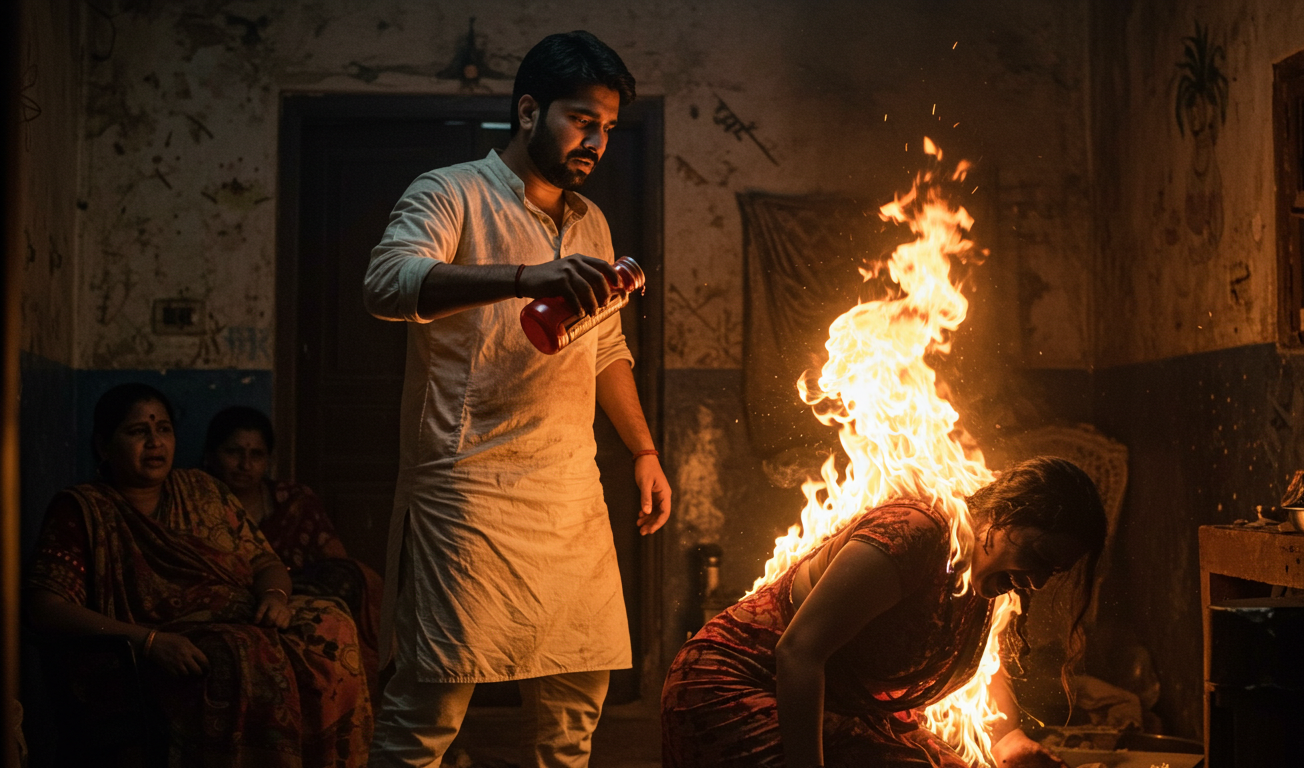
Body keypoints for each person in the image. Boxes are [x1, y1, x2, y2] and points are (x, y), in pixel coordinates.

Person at [362, 30, 671, 768]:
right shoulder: (451, 192)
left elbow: (605, 347)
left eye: (607, 127)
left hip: (568, 491)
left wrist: (644, 450)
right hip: (466, 489)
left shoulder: (590, 222)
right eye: (581, 120)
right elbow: (386, 284)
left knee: (576, 710)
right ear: (529, 111)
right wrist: (524, 278)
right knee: (430, 710)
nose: (596, 142)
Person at [661, 457, 1107, 768]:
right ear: (1006, 514)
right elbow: (798, 653)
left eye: (1052, 570)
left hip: (838, 709)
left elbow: (986, 664)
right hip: (739, 686)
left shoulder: (988, 578)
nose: (1037, 581)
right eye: (1038, 556)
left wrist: (1007, 740)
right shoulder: (916, 534)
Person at [23, 383, 373, 767]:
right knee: (241, 654)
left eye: (164, 429)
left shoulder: (202, 490)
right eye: (138, 431)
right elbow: (45, 607)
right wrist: (150, 642)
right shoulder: (83, 511)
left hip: (242, 615)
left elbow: (265, 563)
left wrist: (274, 597)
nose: (155, 442)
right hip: (153, 647)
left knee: (332, 624)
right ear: (104, 446)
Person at [204, 405, 384, 673]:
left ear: (269, 460)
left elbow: (333, 560)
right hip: (232, 592)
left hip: (292, 591)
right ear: (211, 455)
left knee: (352, 576)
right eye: (233, 452)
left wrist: (280, 591)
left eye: (256, 455)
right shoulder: (196, 501)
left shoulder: (293, 500)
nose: (245, 465)